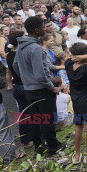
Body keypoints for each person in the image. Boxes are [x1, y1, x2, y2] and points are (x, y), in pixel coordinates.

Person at [13, 16, 66, 156]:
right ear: (37, 30)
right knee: (48, 119)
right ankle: (53, 146)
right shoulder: (36, 48)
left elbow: (15, 66)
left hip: (29, 89)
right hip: (41, 89)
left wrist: (26, 78)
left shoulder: (20, 46)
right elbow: (41, 75)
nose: (45, 29)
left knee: (35, 119)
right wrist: (51, 87)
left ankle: (39, 147)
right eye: (43, 26)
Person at [7, 31, 33, 148]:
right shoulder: (22, 53)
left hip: (17, 86)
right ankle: (37, 137)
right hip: (25, 85)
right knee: (33, 112)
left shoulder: (9, 55)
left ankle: (26, 141)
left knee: (22, 114)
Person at [0, 25, 12, 90]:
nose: (7, 31)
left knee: (10, 70)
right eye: (5, 30)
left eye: (8, 30)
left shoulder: (7, 37)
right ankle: (9, 85)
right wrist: (6, 58)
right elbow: (1, 50)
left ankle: (11, 84)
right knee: (8, 71)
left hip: (9, 56)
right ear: (1, 32)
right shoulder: (2, 38)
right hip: (5, 57)